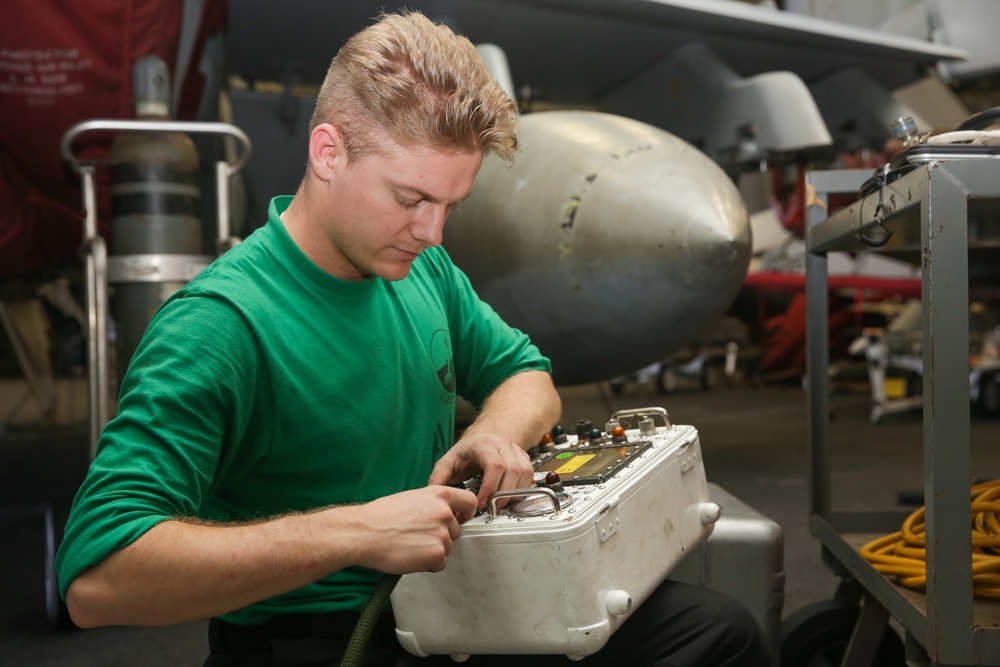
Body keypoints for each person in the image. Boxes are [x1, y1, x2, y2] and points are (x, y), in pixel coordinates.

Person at [55, 11, 771, 667]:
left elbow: (526, 375)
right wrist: (358, 533)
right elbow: (97, 577)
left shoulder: (419, 269)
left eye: (451, 206)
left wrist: (494, 432)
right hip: (321, 638)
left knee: (719, 632)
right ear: (328, 153)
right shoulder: (219, 324)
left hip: (448, 604)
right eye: (411, 199)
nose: (433, 233)